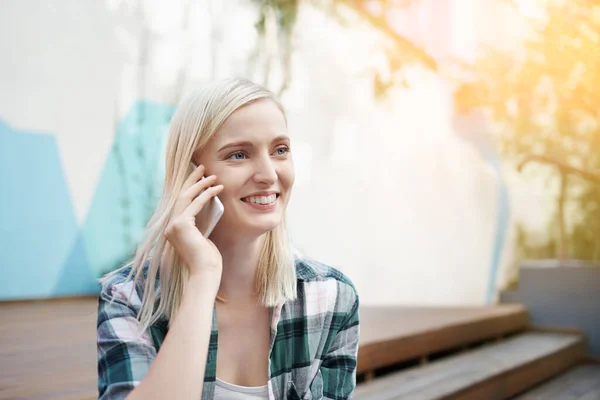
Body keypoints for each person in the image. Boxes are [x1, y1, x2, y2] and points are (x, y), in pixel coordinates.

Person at [96, 78, 360, 400]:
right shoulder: (129, 299)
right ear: (192, 175)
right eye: (238, 155)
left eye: (280, 150)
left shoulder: (331, 297)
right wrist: (202, 277)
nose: (268, 174)